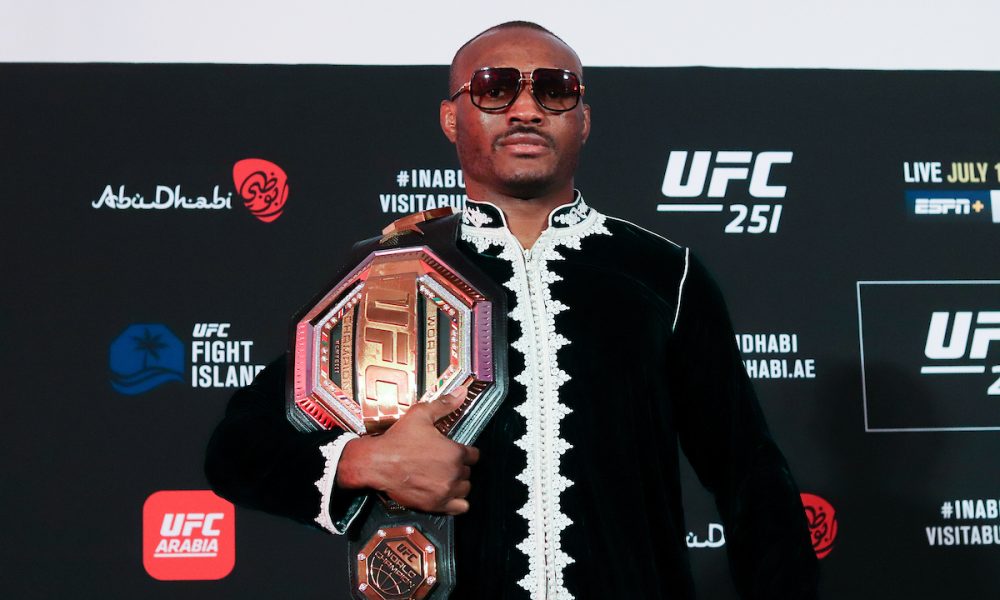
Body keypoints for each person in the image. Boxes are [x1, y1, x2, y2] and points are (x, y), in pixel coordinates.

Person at [206, 21, 819, 599]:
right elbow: (238, 449)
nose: (526, 109)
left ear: (583, 119)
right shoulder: (392, 273)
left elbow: (751, 476)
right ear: (451, 118)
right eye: (495, 88)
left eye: (555, 89)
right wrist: (363, 462)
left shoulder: (664, 274)